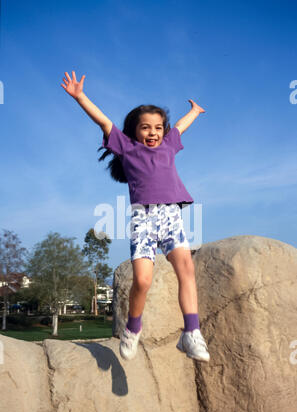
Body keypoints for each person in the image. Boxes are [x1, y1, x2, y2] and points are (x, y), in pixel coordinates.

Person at [61, 71, 210, 363]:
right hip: (143, 220)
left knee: (186, 270)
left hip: (171, 217)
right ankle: (133, 328)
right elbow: (103, 121)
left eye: (157, 127)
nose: (153, 132)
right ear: (135, 131)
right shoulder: (126, 147)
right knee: (142, 281)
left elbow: (179, 125)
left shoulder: (169, 144)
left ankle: (191, 332)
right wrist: (80, 97)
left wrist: (194, 111)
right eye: (146, 128)